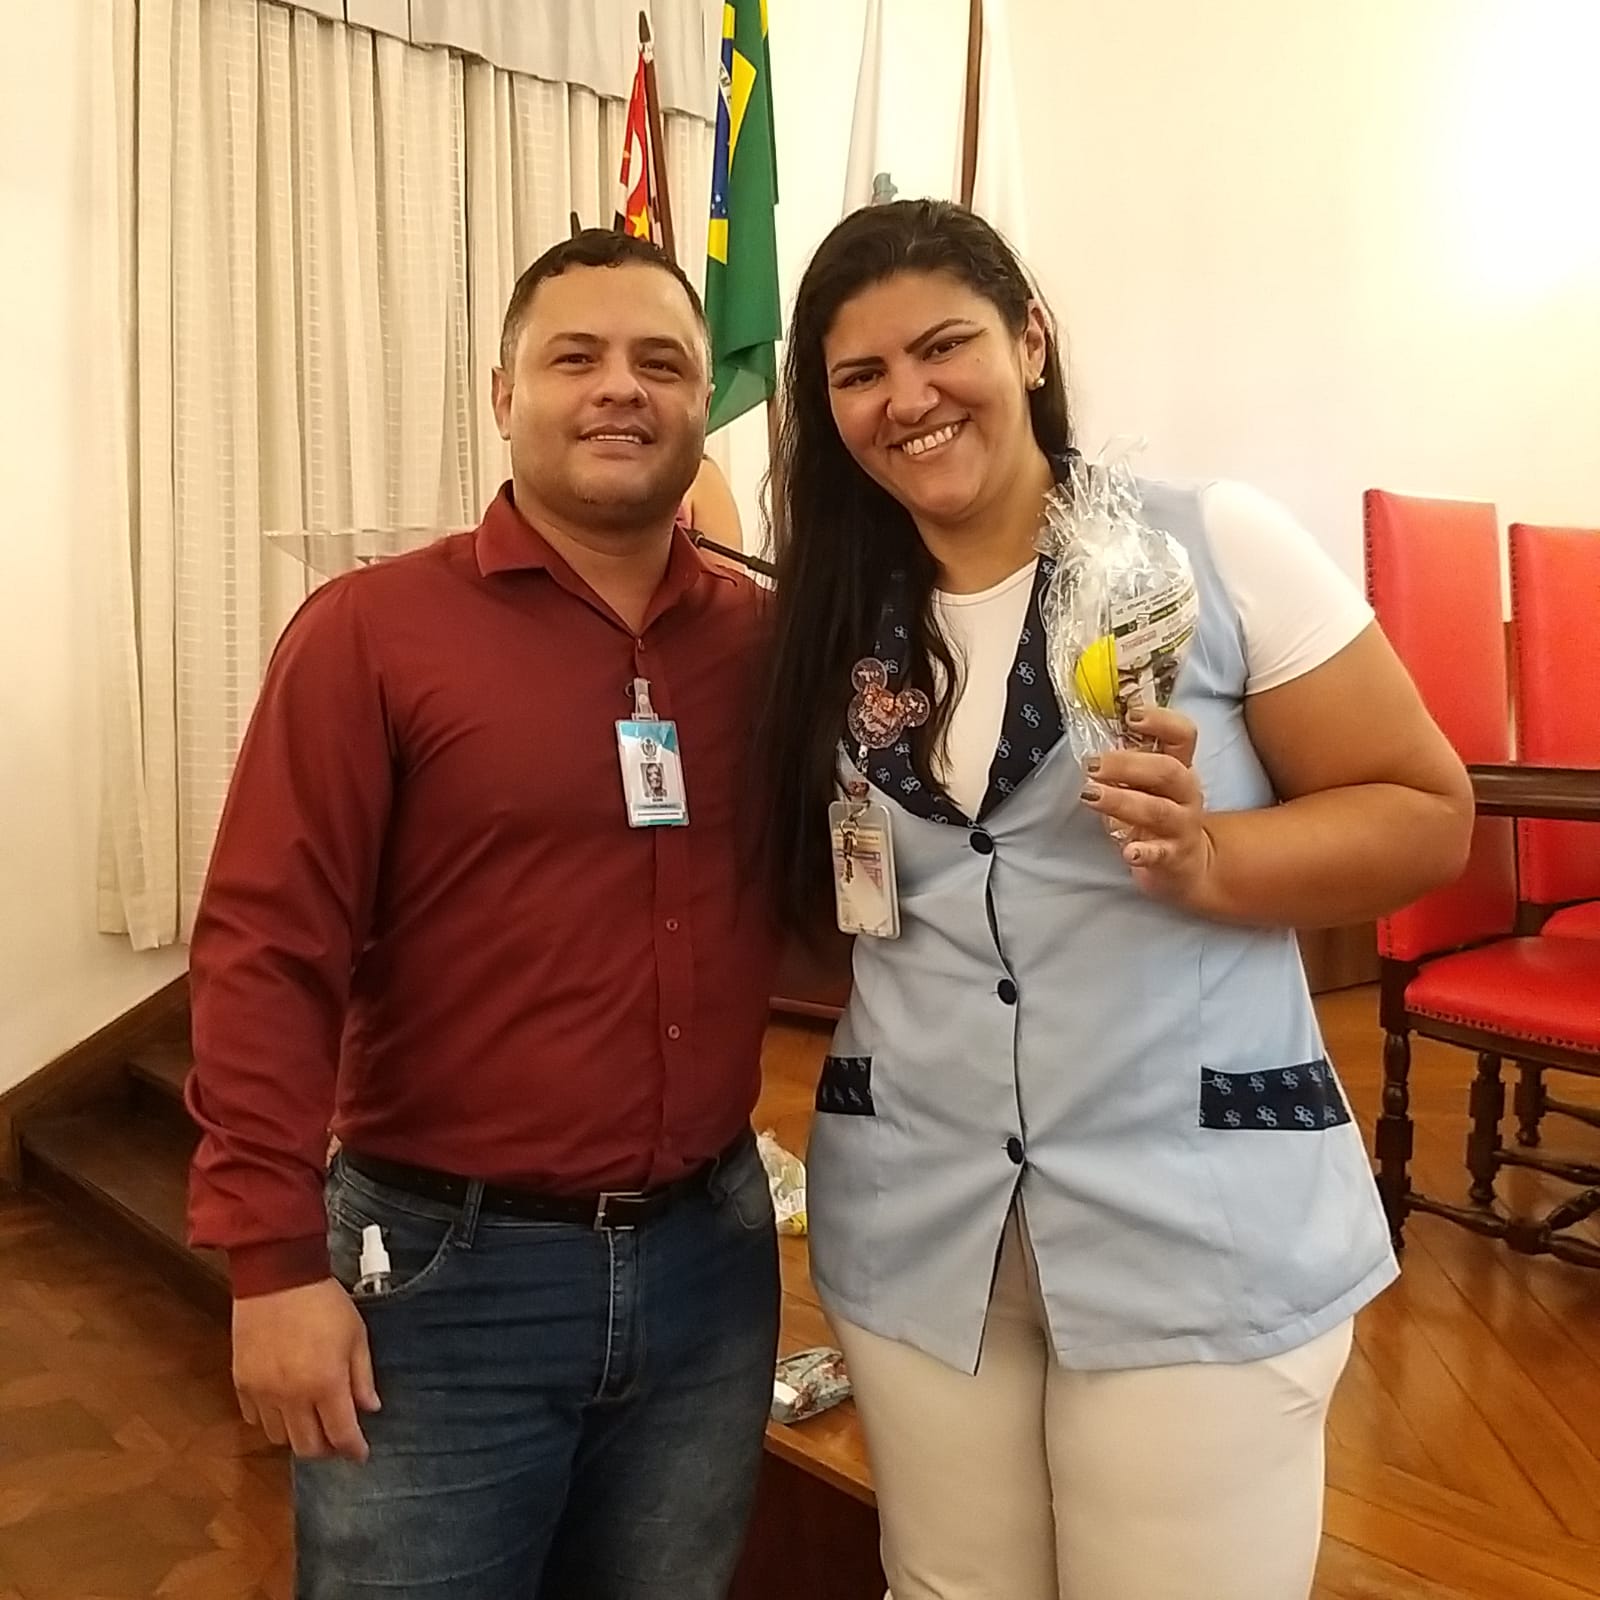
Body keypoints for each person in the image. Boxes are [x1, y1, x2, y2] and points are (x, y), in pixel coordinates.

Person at [757, 199, 1474, 1600]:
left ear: (1029, 341)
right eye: (860, 373)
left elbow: (1425, 811)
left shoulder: (1207, 549)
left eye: (944, 345)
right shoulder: (831, 616)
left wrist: (1217, 860)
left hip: (1192, 1208)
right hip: (922, 1219)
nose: (909, 397)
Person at [186, 228, 781, 1600]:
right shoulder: (371, 632)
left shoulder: (763, 643)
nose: (620, 386)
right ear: (505, 395)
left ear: (705, 405)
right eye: (576, 357)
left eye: (661, 362)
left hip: (711, 1265)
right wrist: (269, 1264)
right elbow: (267, 950)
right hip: (442, 1281)